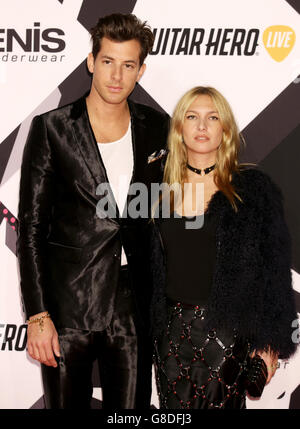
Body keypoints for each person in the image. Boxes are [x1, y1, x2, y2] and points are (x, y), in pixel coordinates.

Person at [17, 13, 169, 409]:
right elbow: (31, 228)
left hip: (132, 309)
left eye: (128, 65)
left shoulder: (157, 127)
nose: (116, 76)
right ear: (91, 61)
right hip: (68, 307)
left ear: (141, 70)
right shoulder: (52, 128)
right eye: (108, 61)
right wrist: (38, 315)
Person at [150, 86, 297, 409]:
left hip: (229, 335)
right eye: (192, 117)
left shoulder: (253, 191)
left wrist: (270, 342)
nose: (202, 126)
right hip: (171, 339)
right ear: (179, 129)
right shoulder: (157, 192)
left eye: (212, 117)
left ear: (225, 129)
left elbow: (275, 274)